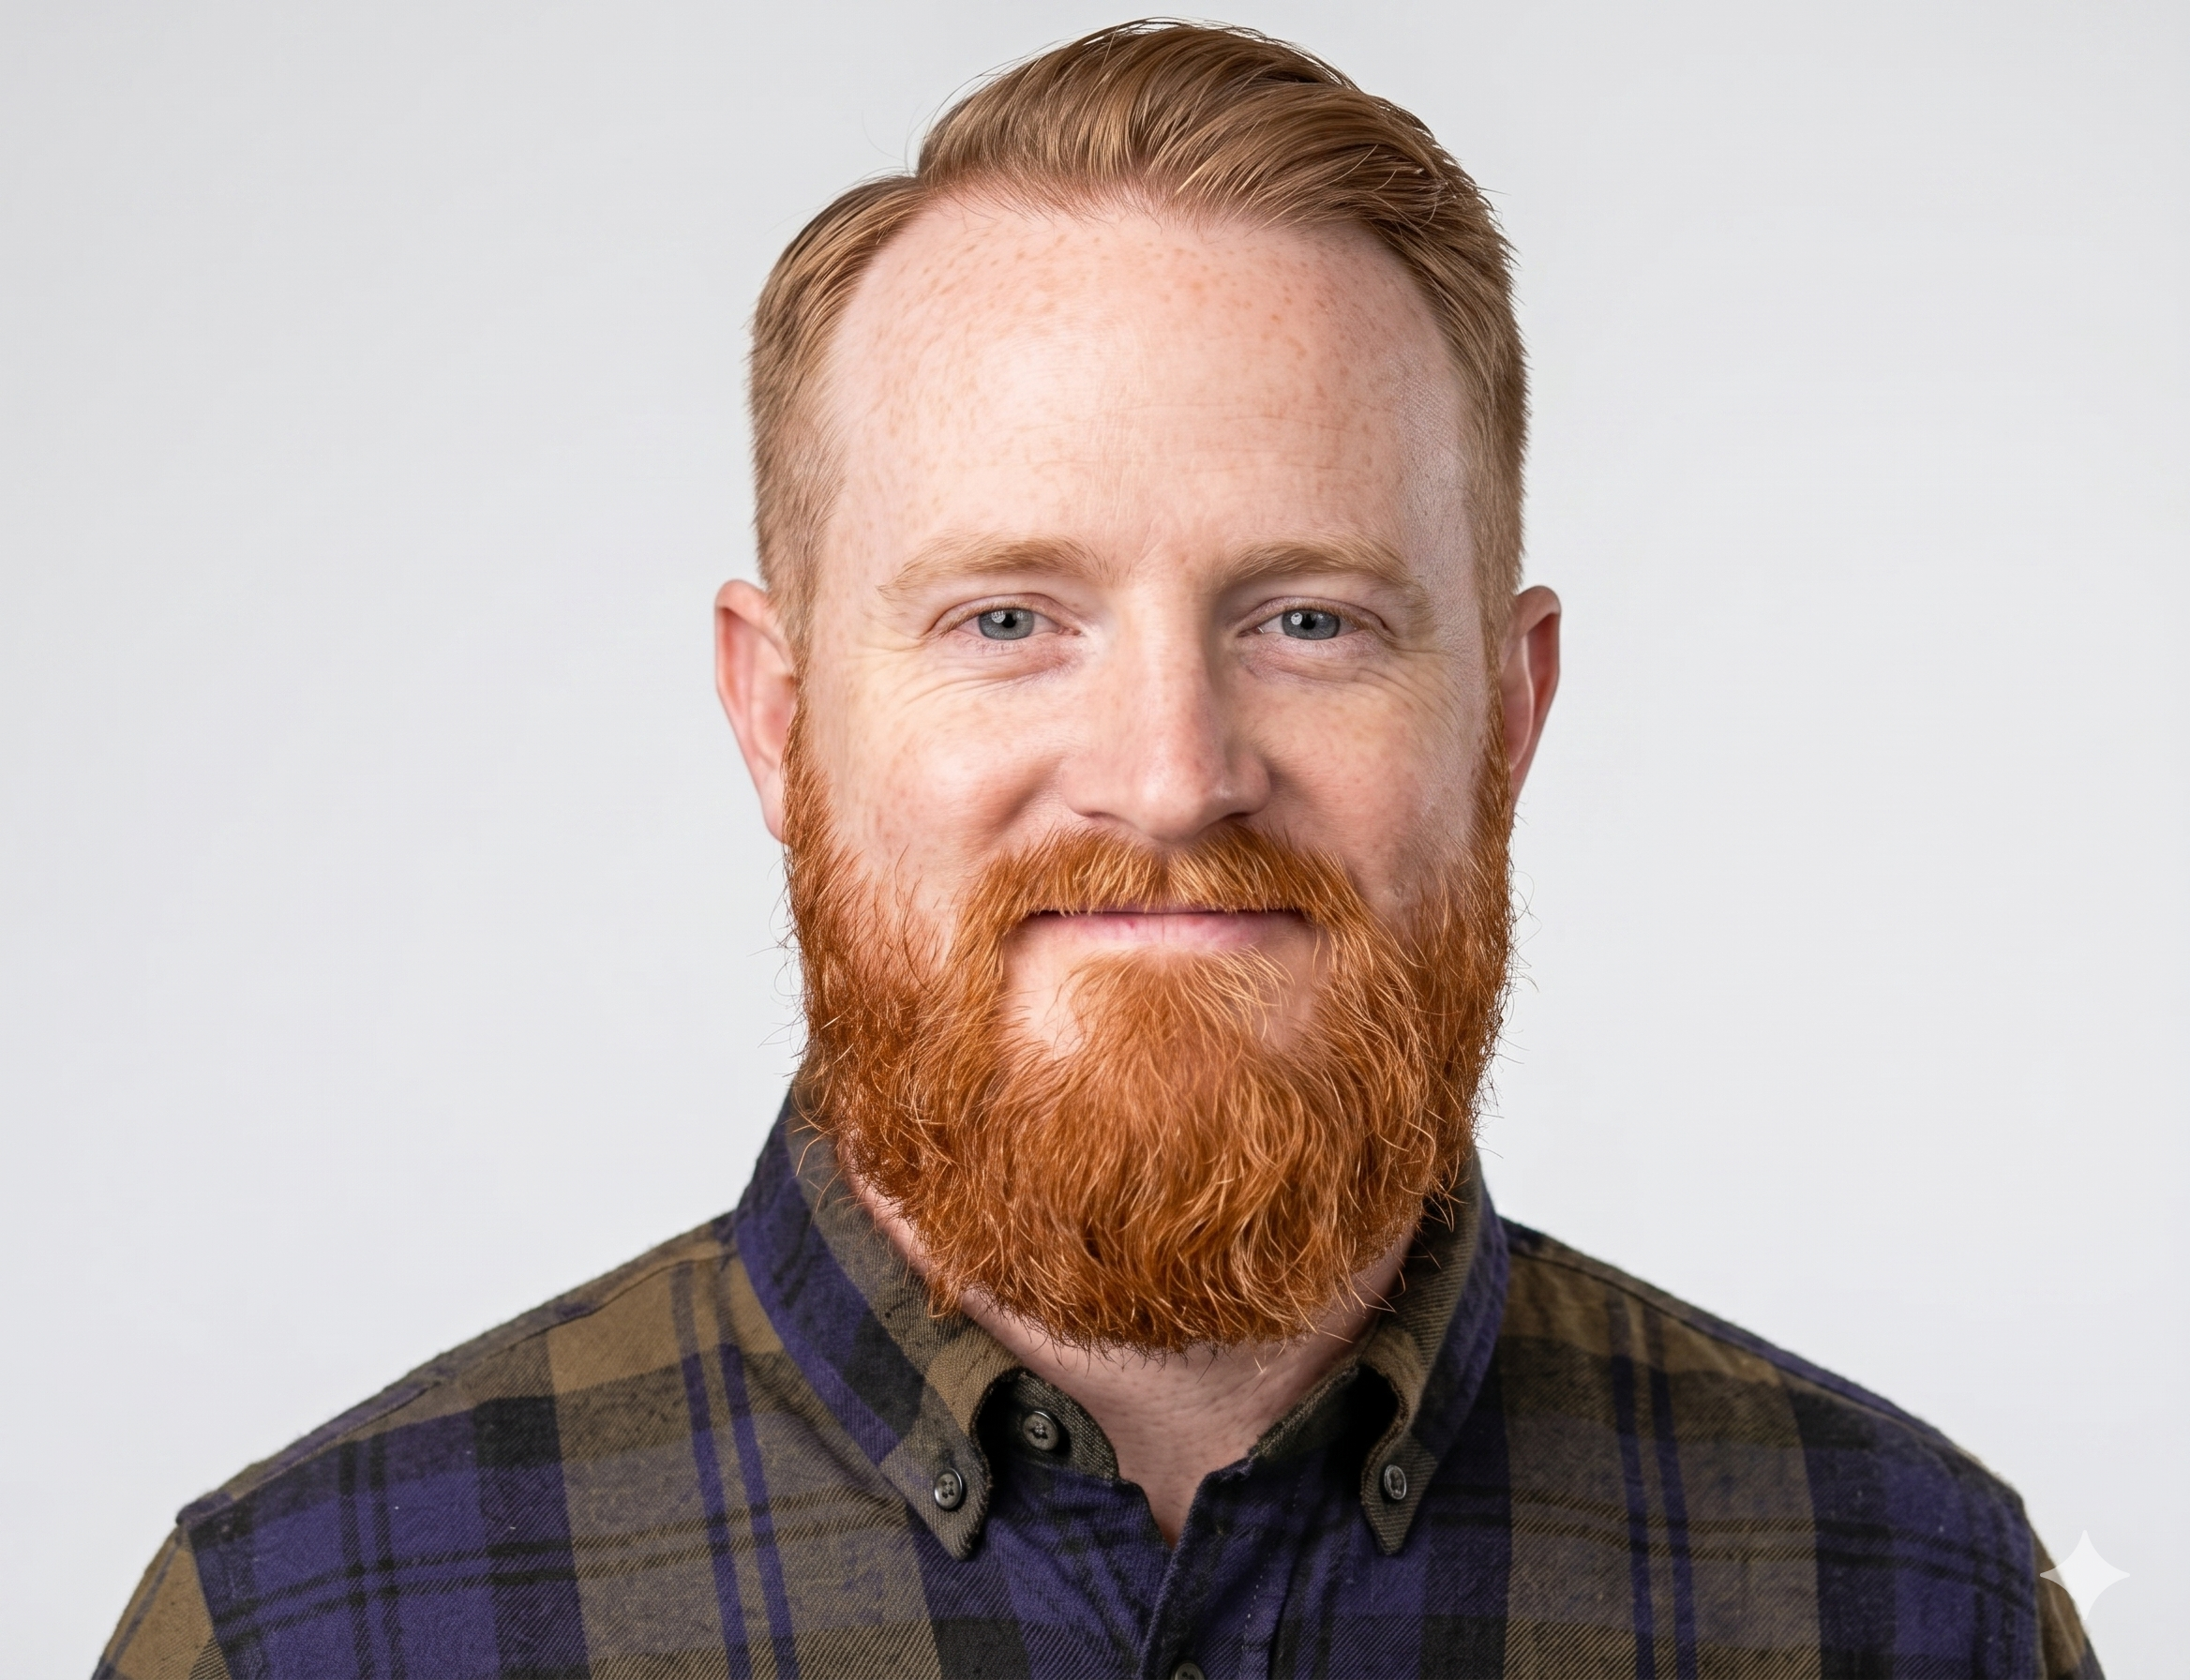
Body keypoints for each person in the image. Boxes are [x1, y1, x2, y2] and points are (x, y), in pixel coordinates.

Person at [98, 22, 2100, 1679]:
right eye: (1006, 620)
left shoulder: (1906, 1604)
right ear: (775, 711)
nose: (1165, 776)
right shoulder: (309, 1628)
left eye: (1308, 616)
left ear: (1506, 708)